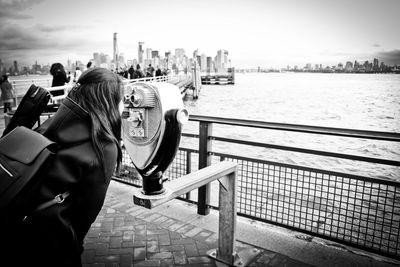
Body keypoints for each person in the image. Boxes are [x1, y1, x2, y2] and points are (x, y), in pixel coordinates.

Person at [2, 67, 124, 267]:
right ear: (108, 101)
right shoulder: (103, 146)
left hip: (16, 226)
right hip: (53, 243)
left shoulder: (54, 120)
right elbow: (86, 212)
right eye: (121, 98)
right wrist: (74, 246)